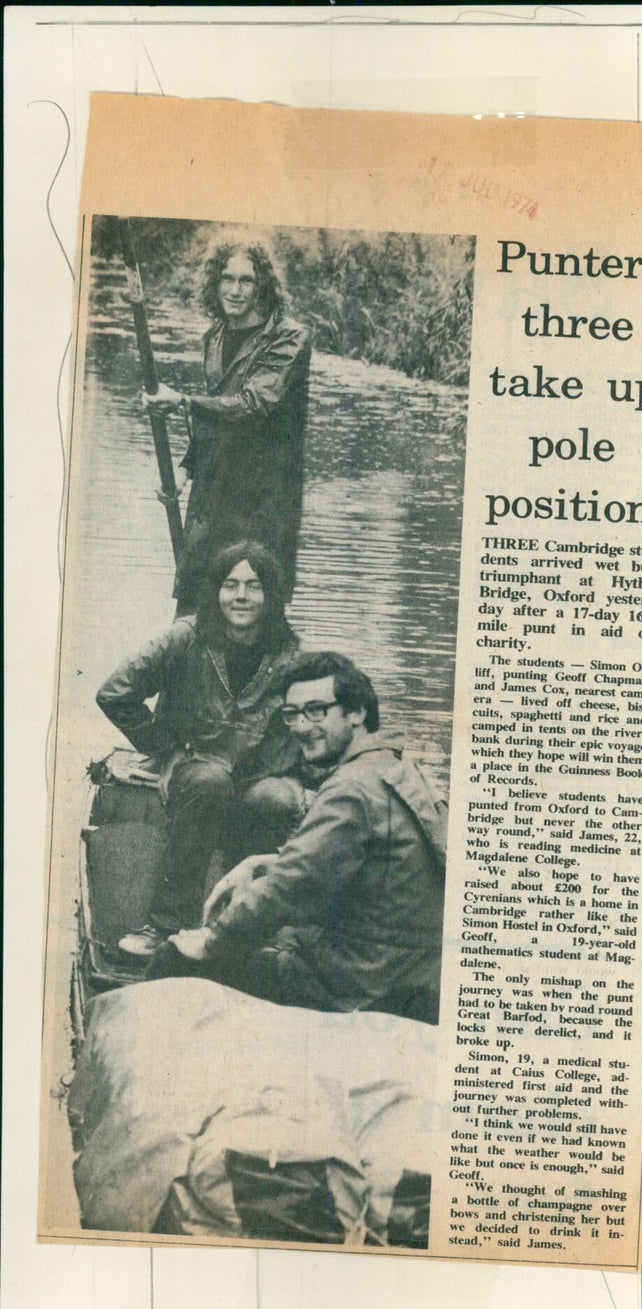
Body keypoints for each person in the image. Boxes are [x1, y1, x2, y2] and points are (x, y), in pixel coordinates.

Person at [147, 652, 448, 1024]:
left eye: (317, 711)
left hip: (357, 988)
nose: (302, 727)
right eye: (292, 714)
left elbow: (287, 889)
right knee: (279, 934)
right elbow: (359, 862)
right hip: (409, 977)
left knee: (172, 957)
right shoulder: (397, 768)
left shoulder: (349, 789)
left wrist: (210, 941)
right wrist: (264, 863)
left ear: (356, 713)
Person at [96, 541, 303, 958]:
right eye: (230, 585)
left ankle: (244, 927)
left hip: (254, 775)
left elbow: (311, 721)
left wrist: (301, 779)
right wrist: (167, 749)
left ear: (271, 595)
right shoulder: (183, 638)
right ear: (216, 591)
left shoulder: (291, 655)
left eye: (254, 585)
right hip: (193, 766)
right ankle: (166, 923)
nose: (241, 596)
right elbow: (114, 692)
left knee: (277, 798)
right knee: (209, 782)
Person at [144, 242, 311, 614]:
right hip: (211, 499)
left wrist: (183, 402)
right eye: (227, 279)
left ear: (262, 286)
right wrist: (185, 469)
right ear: (215, 284)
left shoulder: (290, 339)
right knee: (192, 615)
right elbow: (216, 418)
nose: (235, 291)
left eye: (246, 281)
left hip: (260, 507)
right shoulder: (215, 337)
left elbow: (253, 406)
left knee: (248, 620)